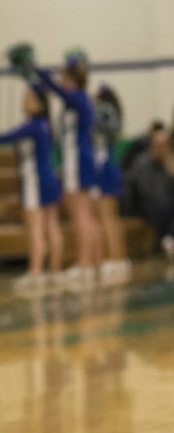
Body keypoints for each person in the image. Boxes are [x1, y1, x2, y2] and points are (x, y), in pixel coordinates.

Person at [35, 50, 102, 288]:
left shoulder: (79, 97)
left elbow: (57, 90)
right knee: (86, 214)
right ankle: (93, 262)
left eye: (65, 77)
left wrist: (39, 71)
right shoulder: (79, 98)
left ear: (72, 78)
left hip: (78, 160)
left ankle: (85, 263)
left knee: (80, 214)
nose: (62, 81)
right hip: (79, 158)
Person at [0, 85, 63, 294]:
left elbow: (6, 137)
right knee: (51, 225)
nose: (24, 101)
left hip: (36, 181)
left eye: (30, 98)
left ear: (40, 104)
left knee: (36, 228)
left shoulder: (34, 126)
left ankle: (36, 271)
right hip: (49, 179)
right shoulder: (44, 126)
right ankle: (55, 270)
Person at [93, 84, 130, 285]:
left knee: (108, 216)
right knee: (108, 217)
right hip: (107, 168)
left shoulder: (106, 117)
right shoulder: (105, 118)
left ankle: (116, 258)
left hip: (107, 169)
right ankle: (116, 257)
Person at [122, 122, 174, 258]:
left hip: (162, 204)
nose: (160, 148)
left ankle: (168, 239)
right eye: (158, 145)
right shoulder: (142, 162)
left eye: (164, 146)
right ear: (152, 145)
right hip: (143, 204)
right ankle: (167, 239)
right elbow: (143, 191)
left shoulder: (166, 164)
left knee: (168, 207)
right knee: (164, 208)